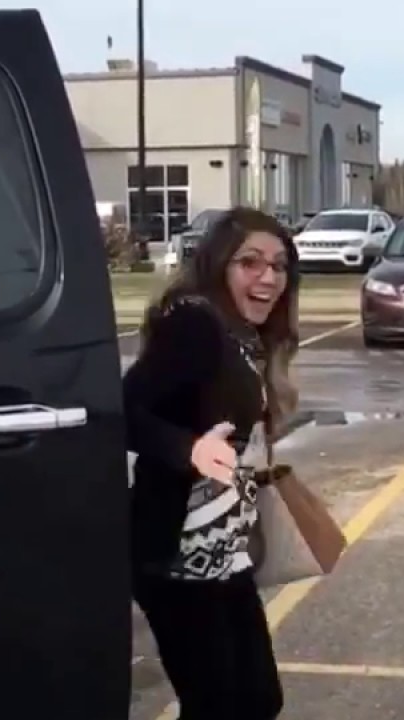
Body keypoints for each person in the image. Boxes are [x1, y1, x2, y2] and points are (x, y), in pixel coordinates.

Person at [124, 206, 301, 720]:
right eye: (250, 262)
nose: (268, 277)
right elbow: (122, 409)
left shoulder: (240, 332)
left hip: (222, 552)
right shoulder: (196, 324)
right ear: (219, 263)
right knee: (220, 706)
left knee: (256, 700)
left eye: (280, 264)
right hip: (177, 556)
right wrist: (189, 448)